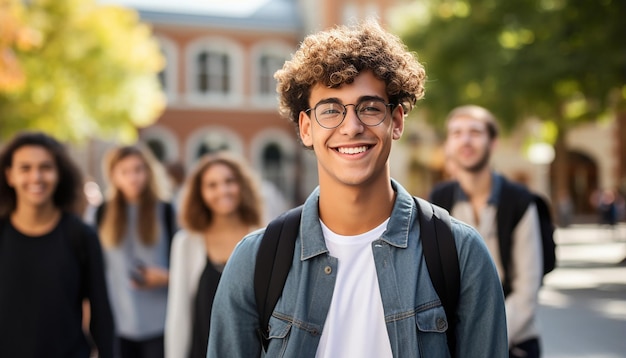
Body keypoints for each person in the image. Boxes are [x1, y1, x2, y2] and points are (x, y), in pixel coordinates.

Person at [207, 20, 508, 357]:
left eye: (369, 108)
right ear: (306, 129)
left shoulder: (460, 252)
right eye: (331, 110)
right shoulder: (255, 259)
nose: (351, 127)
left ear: (396, 122)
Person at [429, 105, 544, 358]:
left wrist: (483, 342)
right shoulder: (437, 200)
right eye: (456, 133)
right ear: (448, 145)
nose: (466, 140)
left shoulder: (520, 201)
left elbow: (527, 289)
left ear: (493, 143)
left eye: (475, 132)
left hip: (514, 340)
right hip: (452, 343)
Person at [0, 132, 114, 358]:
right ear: (9, 175)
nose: (36, 177)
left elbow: (101, 314)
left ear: (59, 173)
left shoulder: (81, 236)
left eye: (46, 167)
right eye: (25, 168)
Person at [164, 152, 263, 358]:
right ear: (200, 193)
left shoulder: (264, 237)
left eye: (229, 181)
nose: (223, 190)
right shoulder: (186, 243)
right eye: (212, 185)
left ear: (242, 185)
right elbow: (178, 313)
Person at [95, 145, 176, 358]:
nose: (133, 178)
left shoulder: (167, 210)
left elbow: (187, 266)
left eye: (138, 170)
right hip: (116, 323)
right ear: (113, 175)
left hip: (161, 323)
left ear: (148, 171)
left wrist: (165, 277)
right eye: (124, 171)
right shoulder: (100, 213)